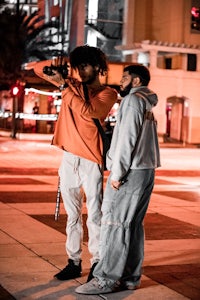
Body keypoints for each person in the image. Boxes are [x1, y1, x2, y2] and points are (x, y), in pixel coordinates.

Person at [34, 45, 118, 281]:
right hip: (69, 157)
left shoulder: (107, 93)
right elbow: (38, 69)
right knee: (72, 215)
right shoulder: (72, 85)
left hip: (92, 158)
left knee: (94, 215)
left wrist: (63, 85)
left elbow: (89, 112)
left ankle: (98, 262)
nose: (80, 70)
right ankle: (73, 261)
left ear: (99, 67)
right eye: (77, 65)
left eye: (85, 65)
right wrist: (60, 67)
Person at [75, 63, 161, 295]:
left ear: (136, 81)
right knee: (132, 226)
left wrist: (117, 173)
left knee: (115, 224)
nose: (120, 81)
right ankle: (130, 277)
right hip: (146, 170)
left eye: (125, 77)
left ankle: (106, 279)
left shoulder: (132, 101)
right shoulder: (146, 103)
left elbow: (126, 139)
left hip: (130, 172)